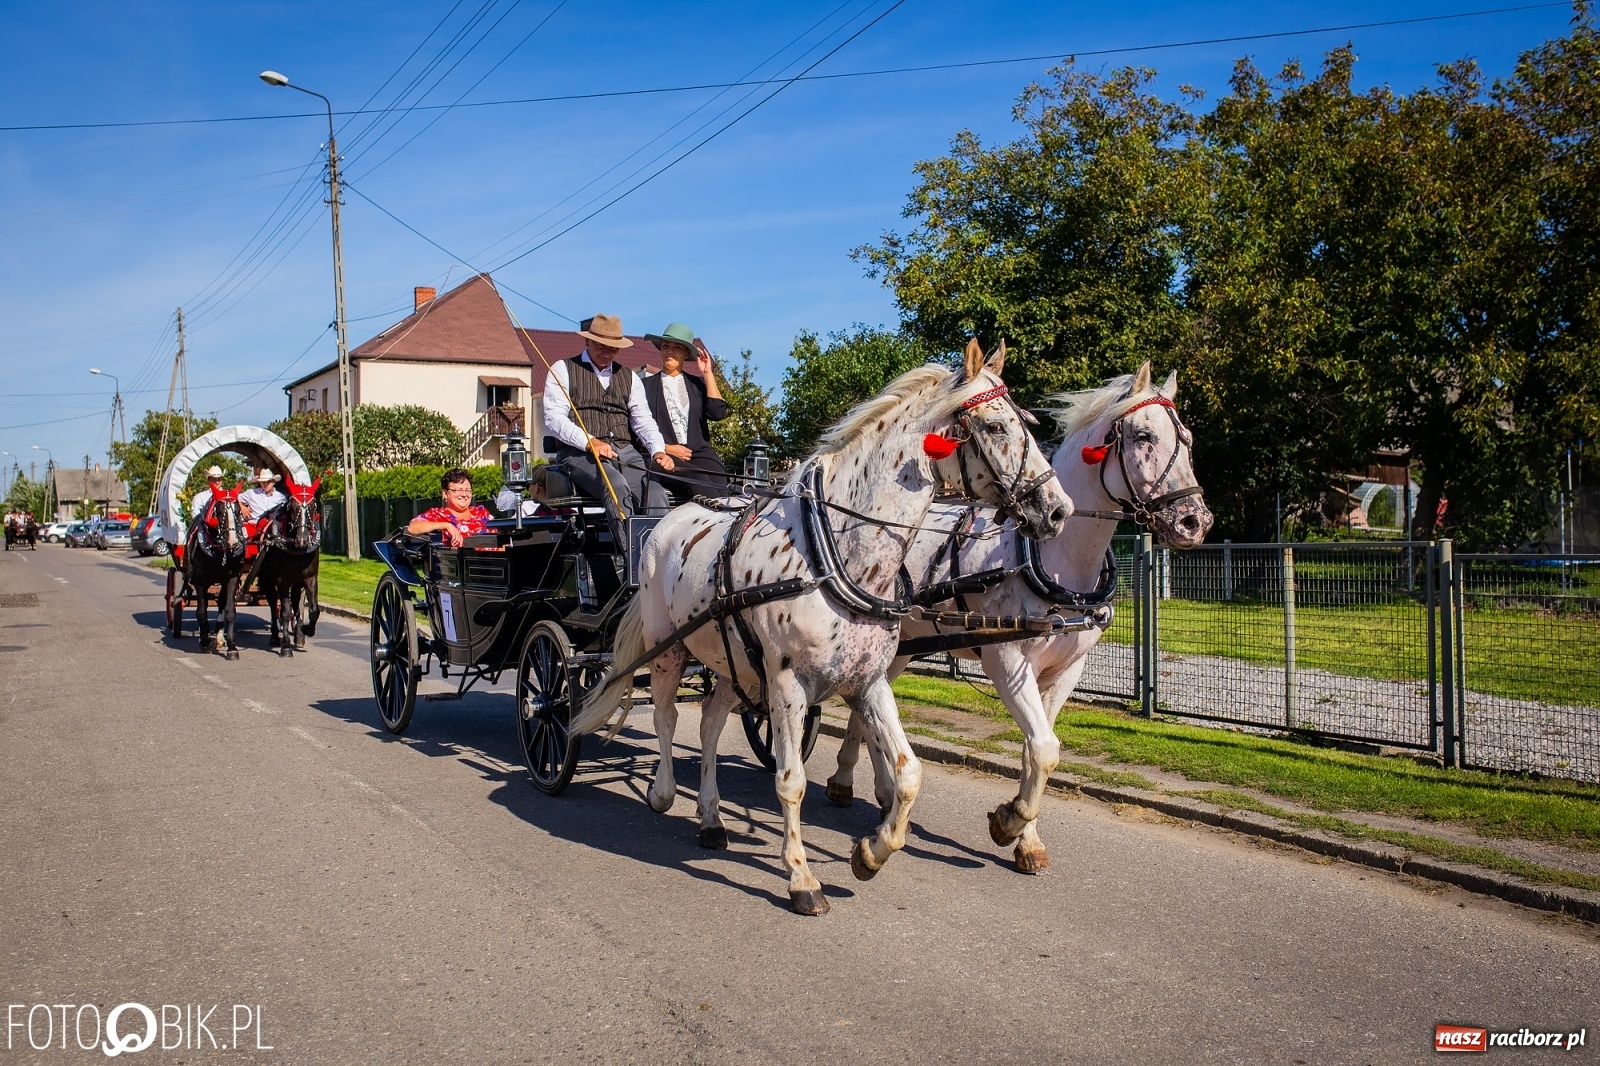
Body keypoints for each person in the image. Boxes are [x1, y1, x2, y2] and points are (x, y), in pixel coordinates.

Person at [542, 312, 674, 517]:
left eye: (613, 348)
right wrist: (589, 441)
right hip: (579, 453)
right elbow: (554, 419)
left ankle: (655, 547)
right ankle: (630, 549)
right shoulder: (563, 369)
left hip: (625, 450)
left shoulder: (629, 377)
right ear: (588, 340)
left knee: (655, 492)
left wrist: (658, 450)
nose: (607, 352)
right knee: (616, 486)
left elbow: (643, 420)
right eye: (601, 346)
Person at [640, 322, 731, 499]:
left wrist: (707, 374)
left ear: (686, 354)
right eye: (666, 346)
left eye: (676, 348)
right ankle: (711, 523)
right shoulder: (644, 387)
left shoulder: (696, 384)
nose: (669, 351)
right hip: (662, 456)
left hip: (699, 454)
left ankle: (725, 523)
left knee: (719, 478)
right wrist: (666, 448)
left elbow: (717, 413)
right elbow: (636, 431)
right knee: (697, 478)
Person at [407, 467, 494, 548]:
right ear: (445, 494)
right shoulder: (438, 515)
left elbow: (500, 535)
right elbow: (412, 528)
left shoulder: (481, 512)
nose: (464, 494)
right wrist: (447, 525)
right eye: (458, 490)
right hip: (464, 562)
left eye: (467, 490)